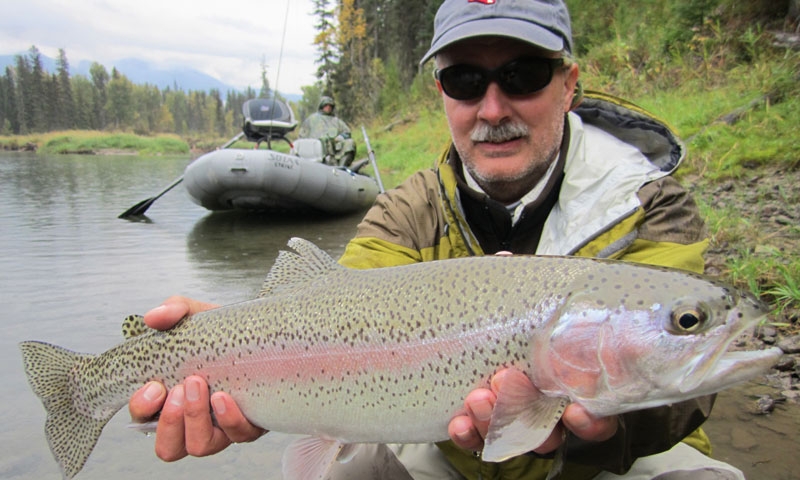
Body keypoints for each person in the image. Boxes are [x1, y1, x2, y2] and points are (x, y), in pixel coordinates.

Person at [129, 1, 745, 479]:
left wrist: (601, 432)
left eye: (523, 74)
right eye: (466, 81)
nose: (493, 106)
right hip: (453, 460)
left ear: (569, 84)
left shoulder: (649, 204)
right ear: (443, 94)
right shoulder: (404, 212)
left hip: (620, 463)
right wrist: (228, 348)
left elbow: (681, 401)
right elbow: (331, 321)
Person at [297, 95, 357, 166]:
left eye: (330, 106)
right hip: (315, 149)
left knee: (350, 143)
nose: (328, 107)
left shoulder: (336, 121)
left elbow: (347, 132)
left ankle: (341, 167)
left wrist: (340, 137)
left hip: (334, 150)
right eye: (326, 105)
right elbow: (301, 136)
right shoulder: (311, 119)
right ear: (321, 106)